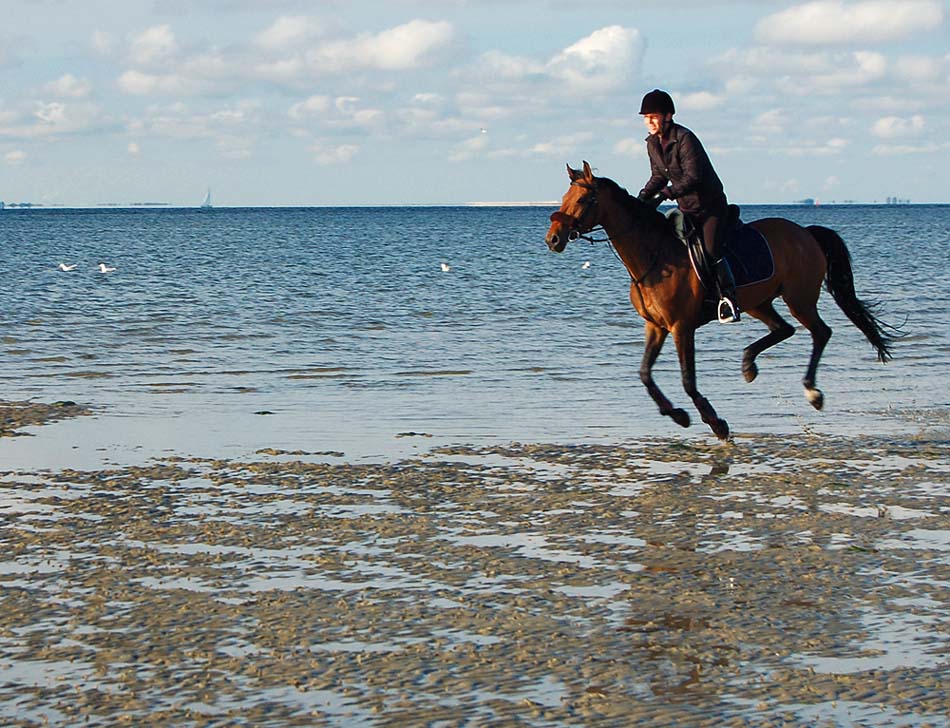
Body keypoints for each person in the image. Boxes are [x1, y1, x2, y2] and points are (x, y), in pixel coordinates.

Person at [636, 89, 740, 323]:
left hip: (710, 206)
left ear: (668, 116)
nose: (649, 122)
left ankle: (728, 299)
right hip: (687, 207)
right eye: (646, 118)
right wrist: (642, 198)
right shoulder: (652, 143)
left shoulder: (685, 138)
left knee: (711, 249)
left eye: (653, 116)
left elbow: (693, 177)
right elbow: (658, 176)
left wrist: (665, 194)